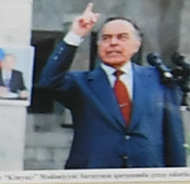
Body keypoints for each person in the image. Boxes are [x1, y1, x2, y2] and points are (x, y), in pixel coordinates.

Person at [32, 10, 186, 170]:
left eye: (122, 37)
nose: (113, 43)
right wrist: (75, 35)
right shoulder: (82, 83)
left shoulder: (159, 79)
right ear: (98, 45)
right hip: (95, 176)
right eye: (106, 38)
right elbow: (49, 81)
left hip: (147, 177)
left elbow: (173, 137)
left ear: (137, 44)